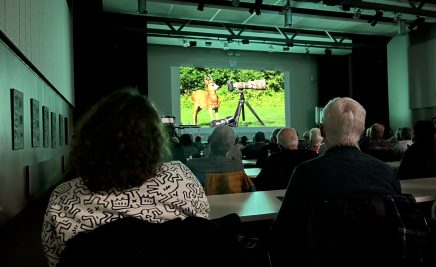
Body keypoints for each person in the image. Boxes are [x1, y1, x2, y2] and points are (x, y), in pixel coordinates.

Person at [41, 89, 209, 267]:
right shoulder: (180, 177)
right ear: (156, 140)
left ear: (89, 138)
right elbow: (202, 231)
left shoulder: (63, 197)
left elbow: (55, 259)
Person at [270, 97, 401, 267]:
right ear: (362, 132)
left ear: (322, 130)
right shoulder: (386, 172)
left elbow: (284, 233)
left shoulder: (306, 173)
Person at [187, 125, 254, 194]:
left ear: (211, 140)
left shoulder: (192, 165)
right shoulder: (237, 165)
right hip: (234, 203)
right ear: (231, 144)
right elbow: (250, 191)